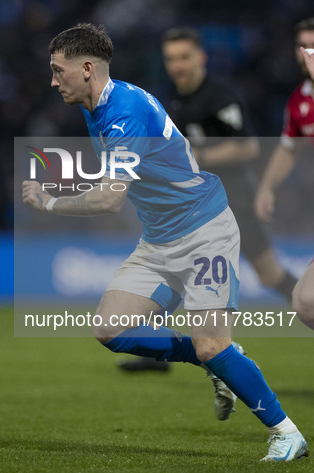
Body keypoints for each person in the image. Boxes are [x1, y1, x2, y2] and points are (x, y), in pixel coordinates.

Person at [22, 23, 308, 461]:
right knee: (110, 329)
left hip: (204, 231)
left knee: (213, 343)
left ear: (86, 69)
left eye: (58, 71)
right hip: (159, 239)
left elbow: (110, 198)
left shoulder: (124, 112)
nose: (54, 80)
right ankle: (210, 361)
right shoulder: (94, 101)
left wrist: (49, 202)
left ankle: (287, 432)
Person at [120, 27, 299, 374]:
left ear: (200, 57)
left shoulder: (219, 96)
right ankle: (153, 351)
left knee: (269, 273)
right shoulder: (170, 99)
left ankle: (307, 307)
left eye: (184, 57)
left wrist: (196, 155)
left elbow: (247, 146)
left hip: (234, 204)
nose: (177, 65)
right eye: (171, 59)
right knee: (172, 272)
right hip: (192, 207)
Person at [255, 18, 314, 328]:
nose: (307, 53)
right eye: (301, 46)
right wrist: (267, 187)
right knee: (305, 302)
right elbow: (289, 148)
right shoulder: (300, 101)